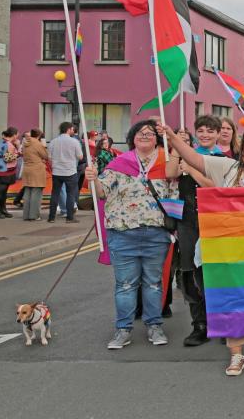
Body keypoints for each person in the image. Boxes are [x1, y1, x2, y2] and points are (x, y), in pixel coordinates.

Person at [161, 122, 244, 376]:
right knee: (231, 300)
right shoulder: (228, 169)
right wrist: (173, 139)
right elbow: (194, 158)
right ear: (242, 151)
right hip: (226, 251)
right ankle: (236, 355)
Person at [84, 120, 175, 351]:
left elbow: (174, 195)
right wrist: (93, 179)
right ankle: (123, 329)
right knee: (125, 285)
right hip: (123, 233)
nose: (145, 136)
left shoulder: (168, 162)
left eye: (150, 133)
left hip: (156, 234)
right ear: (132, 137)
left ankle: (154, 325)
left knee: (153, 283)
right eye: (140, 133)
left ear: (157, 138)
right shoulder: (119, 163)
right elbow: (102, 192)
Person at [166, 115, 226, 347]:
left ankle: (221, 323)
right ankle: (200, 324)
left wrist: (191, 170)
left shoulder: (223, 159)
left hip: (215, 221)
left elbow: (216, 187)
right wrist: (176, 148)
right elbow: (170, 173)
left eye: (210, 131)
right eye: (201, 130)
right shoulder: (184, 155)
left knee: (216, 273)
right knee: (190, 273)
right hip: (189, 221)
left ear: (219, 133)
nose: (205, 134)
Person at [46, 122, 83, 223]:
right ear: (69, 129)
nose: (73, 130)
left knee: (55, 194)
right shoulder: (74, 142)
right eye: (72, 129)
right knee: (70, 194)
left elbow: (49, 158)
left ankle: (51, 217)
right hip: (70, 171)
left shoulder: (53, 142)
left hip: (57, 172)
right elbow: (80, 157)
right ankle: (70, 217)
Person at [20, 129, 48, 221]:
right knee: (36, 193)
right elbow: (45, 156)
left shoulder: (25, 143)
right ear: (39, 135)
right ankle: (34, 215)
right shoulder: (38, 144)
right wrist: (44, 147)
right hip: (37, 170)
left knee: (27, 192)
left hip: (27, 169)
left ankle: (26, 215)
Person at [0, 127, 21, 218]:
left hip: (3, 171)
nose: (18, 136)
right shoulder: (8, 145)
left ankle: (3, 210)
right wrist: (18, 150)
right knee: (0, 192)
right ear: (14, 135)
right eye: (17, 134)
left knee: (3, 192)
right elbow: (8, 159)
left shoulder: (3, 142)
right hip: (4, 172)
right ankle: (1, 211)